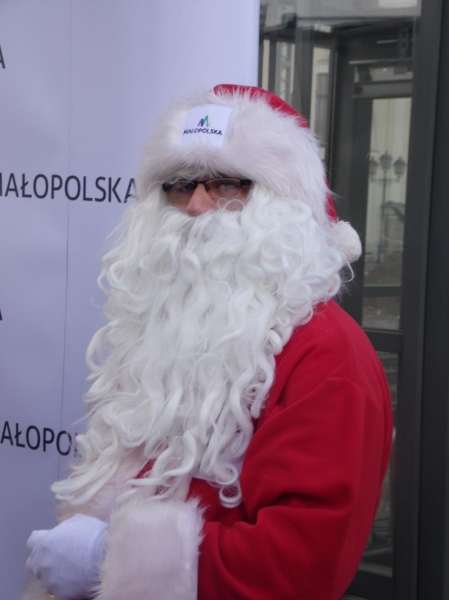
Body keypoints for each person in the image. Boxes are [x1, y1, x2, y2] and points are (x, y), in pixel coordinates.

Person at [23, 84, 393, 600]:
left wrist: (107, 558)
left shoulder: (328, 356)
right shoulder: (170, 332)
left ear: (283, 204)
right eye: (179, 184)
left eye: (225, 184)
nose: (197, 205)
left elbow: (302, 566)